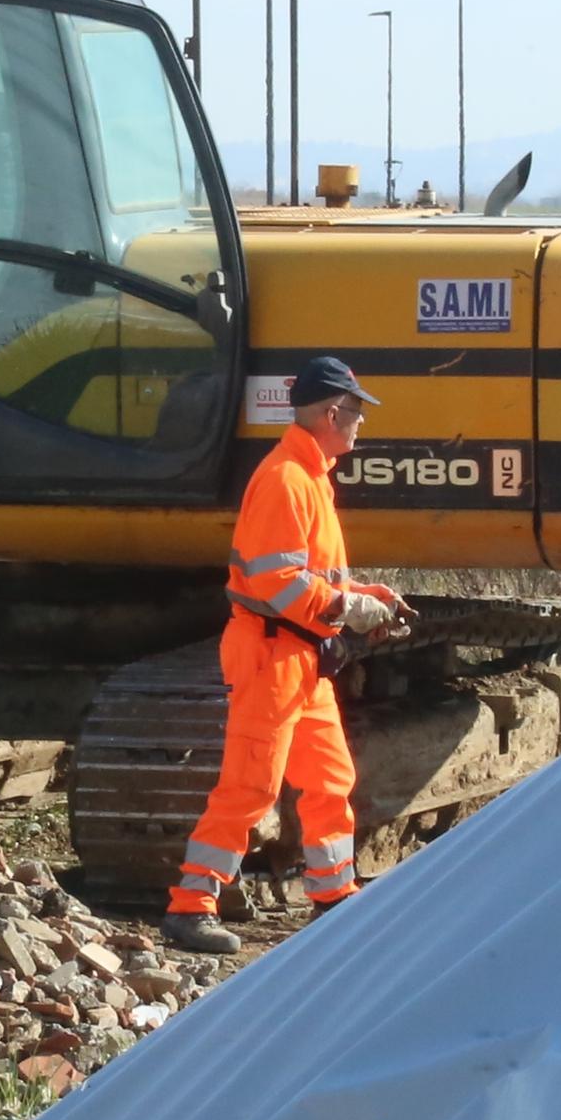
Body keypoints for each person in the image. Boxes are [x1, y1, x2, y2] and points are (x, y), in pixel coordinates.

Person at [166, 355, 409, 954]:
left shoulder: (308, 476)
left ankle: (332, 896)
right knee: (250, 787)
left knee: (331, 778)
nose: (360, 425)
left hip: (302, 658)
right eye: (355, 413)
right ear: (331, 412)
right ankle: (190, 907)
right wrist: (348, 610)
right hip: (273, 657)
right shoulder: (286, 480)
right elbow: (280, 587)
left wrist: (362, 594)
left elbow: (304, 576)